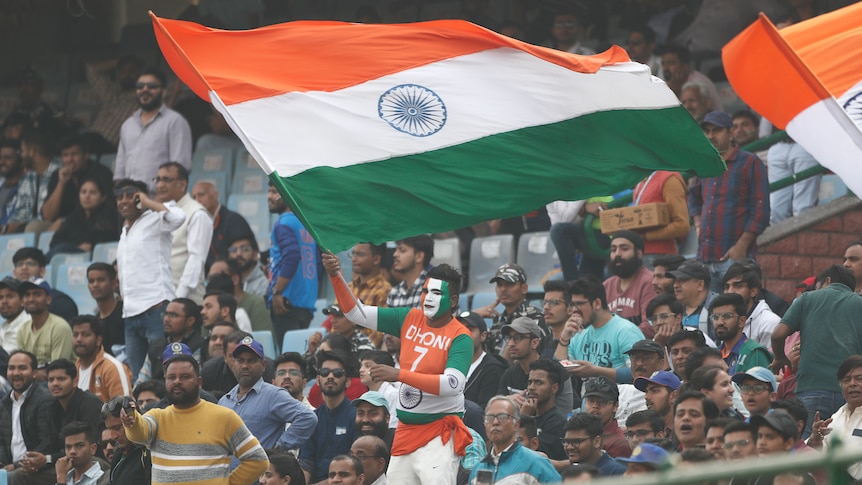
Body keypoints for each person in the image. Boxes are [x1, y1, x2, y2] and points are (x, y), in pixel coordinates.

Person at [322, 252, 472, 485]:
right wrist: (335, 276)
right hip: (404, 430)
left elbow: (453, 384)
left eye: (437, 293)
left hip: (438, 434)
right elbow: (355, 313)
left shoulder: (460, 336)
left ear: (452, 301)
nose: (428, 298)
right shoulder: (409, 317)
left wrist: (399, 374)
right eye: (425, 291)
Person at [120, 353, 269, 484]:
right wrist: (131, 421)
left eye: (185, 377)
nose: (177, 381)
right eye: (172, 377)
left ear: (199, 382)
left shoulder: (224, 417)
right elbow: (140, 432)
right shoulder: (157, 416)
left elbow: (258, 460)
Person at [771, 266, 862, 438]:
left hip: (811, 389)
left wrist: (779, 359)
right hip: (851, 393)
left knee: (810, 451)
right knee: (846, 450)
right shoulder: (859, 303)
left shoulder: (807, 299)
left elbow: (777, 335)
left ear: (827, 281)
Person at [689, 111, 770, 293]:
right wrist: (697, 222)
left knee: (739, 315)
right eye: (707, 131)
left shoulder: (750, 162)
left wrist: (741, 246)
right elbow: (693, 195)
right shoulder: (707, 162)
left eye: (716, 131)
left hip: (735, 259)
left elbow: (761, 211)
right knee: (710, 319)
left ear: (731, 133)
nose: (710, 136)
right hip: (705, 257)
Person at [115, 178, 186, 382]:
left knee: (163, 372)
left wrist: (147, 203)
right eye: (120, 197)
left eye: (131, 195)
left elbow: (178, 217)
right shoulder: (124, 230)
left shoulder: (155, 218)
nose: (124, 201)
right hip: (130, 314)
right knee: (139, 378)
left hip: (155, 308)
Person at [218, 336, 317, 454]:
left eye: (251, 360)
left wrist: (279, 448)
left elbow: (307, 417)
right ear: (233, 364)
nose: (245, 365)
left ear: (263, 365)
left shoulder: (273, 395)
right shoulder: (224, 401)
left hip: (261, 471)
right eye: (240, 360)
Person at [114, 68, 192, 192]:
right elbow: (120, 170)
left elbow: (180, 168)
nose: (145, 90)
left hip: (160, 200)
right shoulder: (127, 125)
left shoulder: (175, 121)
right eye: (140, 86)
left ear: (164, 92)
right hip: (132, 201)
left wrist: (158, 201)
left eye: (151, 86)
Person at [555, 277, 643, 370]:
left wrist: (596, 371)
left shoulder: (626, 331)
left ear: (597, 303)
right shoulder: (578, 333)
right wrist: (564, 339)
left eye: (579, 304)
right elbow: (557, 372)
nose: (574, 310)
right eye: (572, 305)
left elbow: (639, 373)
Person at [469, 395, 561, 484]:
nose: (495, 422)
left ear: (516, 424)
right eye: (490, 418)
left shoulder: (536, 464)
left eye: (502, 417)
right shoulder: (478, 468)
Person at [268, 182, 318, 342]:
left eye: (274, 191)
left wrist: (277, 291)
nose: (269, 196)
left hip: (286, 302)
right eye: (269, 191)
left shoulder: (284, 223)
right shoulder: (306, 224)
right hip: (306, 303)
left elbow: (292, 255)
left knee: (288, 357)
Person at [154, 162, 212, 304]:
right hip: (157, 301)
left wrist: (177, 299)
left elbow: (196, 260)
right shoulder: (156, 213)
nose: (160, 185)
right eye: (158, 179)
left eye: (166, 180)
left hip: (185, 303)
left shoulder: (196, 213)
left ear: (182, 184)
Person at [300, 349, 358, 485]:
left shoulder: (356, 416)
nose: (330, 376)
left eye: (337, 373)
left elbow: (356, 466)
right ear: (318, 380)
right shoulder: (312, 419)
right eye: (325, 372)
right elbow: (306, 462)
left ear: (348, 382)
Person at [43, 360, 103, 476]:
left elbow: (91, 447)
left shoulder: (89, 404)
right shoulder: (51, 407)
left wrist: (47, 459)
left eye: (61, 379)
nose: (55, 383)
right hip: (65, 461)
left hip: (93, 462)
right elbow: (51, 444)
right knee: (23, 474)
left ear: (75, 381)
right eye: (51, 380)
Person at [474, 263, 546, 359]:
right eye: (499, 285)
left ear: (524, 288)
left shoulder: (535, 319)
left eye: (510, 284)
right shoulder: (497, 325)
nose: (503, 289)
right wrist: (474, 316)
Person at [0, 351, 53, 479]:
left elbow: (46, 443)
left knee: (16, 476)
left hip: (33, 468)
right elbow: (1, 440)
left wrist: (16, 465)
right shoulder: (4, 403)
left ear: (35, 373)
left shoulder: (44, 400)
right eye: (11, 368)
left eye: (22, 368)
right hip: (8, 466)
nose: (16, 373)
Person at [41, 136, 114, 223]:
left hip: (93, 223)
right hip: (60, 226)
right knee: (34, 227)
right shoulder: (57, 176)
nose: (69, 160)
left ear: (86, 155)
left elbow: (107, 209)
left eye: (74, 154)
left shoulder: (101, 173)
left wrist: (65, 221)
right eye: (65, 155)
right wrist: (61, 183)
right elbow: (47, 216)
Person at [47, 177, 119, 261]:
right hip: (68, 254)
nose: (87, 196)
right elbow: (55, 242)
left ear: (103, 197)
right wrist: (77, 246)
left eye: (92, 193)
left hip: (92, 257)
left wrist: (89, 245)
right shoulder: (74, 217)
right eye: (83, 192)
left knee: (60, 249)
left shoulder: (110, 216)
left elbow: (106, 238)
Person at [137, 298, 206, 384]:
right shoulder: (156, 345)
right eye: (165, 314)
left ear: (190, 321)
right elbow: (142, 380)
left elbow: (195, 382)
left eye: (173, 315)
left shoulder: (201, 345)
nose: (166, 319)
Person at [190, 180, 253, 271]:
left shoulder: (234, 220)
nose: (197, 201)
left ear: (216, 195)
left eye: (201, 195)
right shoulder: (197, 224)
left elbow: (244, 256)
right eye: (194, 198)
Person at [603, 230, 656, 335]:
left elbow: (650, 325)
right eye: (613, 250)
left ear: (639, 254)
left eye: (624, 249)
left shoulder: (649, 282)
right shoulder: (606, 285)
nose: (617, 254)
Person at [547, 197, 611, 282]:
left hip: (606, 237)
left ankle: (573, 284)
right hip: (588, 239)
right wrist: (585, 207)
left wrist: (584, 207)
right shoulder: (555, 188)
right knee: (587, 286)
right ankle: (573, 284)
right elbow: (566, 219)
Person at [7, 132, 61, 233]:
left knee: (32, 228)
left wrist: (22, 224)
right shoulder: (28, 176)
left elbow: (47, 217)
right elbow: (21, 210)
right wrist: (10, 226)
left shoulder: (60, 172)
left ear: (32, 152)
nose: (20, 156)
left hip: (53, 226)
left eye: (22, 151)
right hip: (27, 226)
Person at [84, 55, 142, 148]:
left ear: (138, 74)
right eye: (123, 71)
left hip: (111, 146)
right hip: (91, 140)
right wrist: (119, 61)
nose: (127, 74)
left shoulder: (143, 97)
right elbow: (91, 70)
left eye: (131, 71)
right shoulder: (111, 92)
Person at [71, 316, 132, 402]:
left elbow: (124, 409)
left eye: (85, 335)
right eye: (75, 335)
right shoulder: (73, 369)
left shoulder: (112, 368)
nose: (79, 339)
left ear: (98, 340)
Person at [16, 278, 75, 368]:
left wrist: (31, 373)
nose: (31, 299)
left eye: (37, 294)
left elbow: (58, 370)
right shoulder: (22, 330)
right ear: (22, 301)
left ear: (48, 299)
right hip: (33, 380)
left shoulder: (59, 327)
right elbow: (21, 368)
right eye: (27, 295)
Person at [709, 293, 772, 375]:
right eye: (716, 317)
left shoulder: (754, 353)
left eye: (727, 316)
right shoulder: (714, 354)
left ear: (741, 321)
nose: (720, 322)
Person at [721, 262, 781, 348]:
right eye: (726, 287)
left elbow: (769, 360)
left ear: (753, 291)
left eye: (738, 286)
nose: (730, 291)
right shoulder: (723, 320)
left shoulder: (769, 323)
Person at [520, 359, 568, 461]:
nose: (532, 387)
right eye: (530, 382)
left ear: (554, 388)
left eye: (539, 383)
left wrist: (523, 418)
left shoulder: (558, 422)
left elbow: (534, 456)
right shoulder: (527, 412)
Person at [11, 248, 78, 322]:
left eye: (30, 263)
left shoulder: (59, 301)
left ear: (42, 271)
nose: (24, 268)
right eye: (19, 264)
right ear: (14, 273)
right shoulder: (11, 303)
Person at [207, 258, 273, 332]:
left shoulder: (257, 304)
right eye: (209, 278)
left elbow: (263, 341)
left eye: (216, 277)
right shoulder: (208, 310)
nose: (212, 282)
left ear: (235, 279)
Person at [458, 311, 506, 409]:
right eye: (459, 329)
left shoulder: (492, 369)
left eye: (469, 329)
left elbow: (484, 411)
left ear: (483, 336)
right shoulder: (447, 363)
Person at [767, 139, 821, 224]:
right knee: (775, 210)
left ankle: (804, 235)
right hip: (780, 143)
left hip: (804, 142)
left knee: (803, 208)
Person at [100, 396, 151, 485]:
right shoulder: (118, 453)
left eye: (117, 427)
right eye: (109, 429)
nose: (113, 436)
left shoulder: (149, 452)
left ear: (132, 420)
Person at [562, 413, 625, 477]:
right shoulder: (570, 473)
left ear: (597, 442)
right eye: (566, 441)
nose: (569, 447)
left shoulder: (617, 474)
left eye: (577, 441)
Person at [582, 377, 632, 458]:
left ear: (615, 406)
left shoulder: (619, 443)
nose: (595, 406)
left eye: (602, 402)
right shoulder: (580, 432)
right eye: (591, 400)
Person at [385, 234, 434, 308]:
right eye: (396, 250)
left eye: (402, 250)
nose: (395, 254)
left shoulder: (433, 289)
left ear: (419, 256)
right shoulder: (394, 293)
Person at [86, 263, 124, 357]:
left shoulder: (125, 314)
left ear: (114, 284)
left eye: (101, 280)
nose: (95, 285)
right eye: (91, 281)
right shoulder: (94, 322)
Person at [634, 371, 681, 438]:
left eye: (654, 391)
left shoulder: (685, 429)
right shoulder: (644, 431)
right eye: (646, 391)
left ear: (673, 396)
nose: (646, 397)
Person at [357, 353, 398, 429]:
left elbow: (393, 426)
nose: (361, 370)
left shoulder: (392, 394)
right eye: (361, 366)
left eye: (367, 366)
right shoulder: (366, 395)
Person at [0, 138, 25, 232]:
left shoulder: (29, 186)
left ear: (21, 161)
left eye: (7, 158)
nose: (2, 162)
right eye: (0, 158)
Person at [0, 277, 28, 353]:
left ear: (22, 301)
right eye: (0, 297)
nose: (4, 301)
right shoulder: (4, 326)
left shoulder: (29, 326)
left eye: (10, 296)